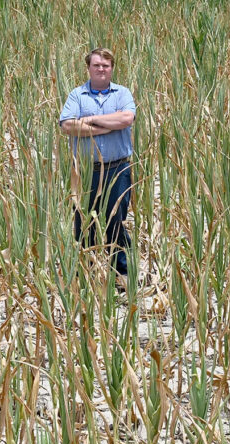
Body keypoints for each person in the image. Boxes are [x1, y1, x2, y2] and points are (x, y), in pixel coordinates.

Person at [59, 47, 136, 283]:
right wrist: (108, 126)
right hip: (85, 171)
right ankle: (87, 275)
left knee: (117, 221)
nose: (101, 69)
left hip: (118, 168)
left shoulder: (122, 93)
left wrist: (91, 120)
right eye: (96, 65)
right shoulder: (77, 95)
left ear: (112, 68)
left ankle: (121, 275)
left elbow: (126, 118)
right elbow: (67, 126)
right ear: (88, 68)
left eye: (106, 65)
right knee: (84, 223)